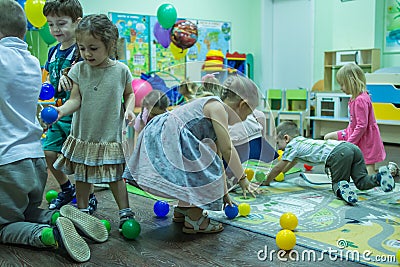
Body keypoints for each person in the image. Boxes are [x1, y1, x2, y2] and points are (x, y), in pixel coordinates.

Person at [0, 0, 107, 262]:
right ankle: (61, 216)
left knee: (3, 225)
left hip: (7, 164)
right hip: (34, 162)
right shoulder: (31, 61)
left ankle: (50, 236)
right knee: (25, 212)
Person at [124, 74, 258, 234]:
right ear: (243, 105)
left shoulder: (214, 108)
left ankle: (183, 209)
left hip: (165, 135)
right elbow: (228, 149)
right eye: (248, 114)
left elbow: (219, 158)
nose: (246, 119)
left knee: (199, 167)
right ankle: (196, 220)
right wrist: (242, 179)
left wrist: (223, 192)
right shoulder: (217, 107)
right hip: (171, 136)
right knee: (200, 172)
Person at [53, 14, 136, 229]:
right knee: (83, 175)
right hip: (84, 134)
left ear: (109, 45)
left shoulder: (121, 71)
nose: (87, 54)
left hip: (109, 135)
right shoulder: (79, 70)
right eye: (82, 48)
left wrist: (128, 110)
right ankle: (82, 211)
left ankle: (125, 212)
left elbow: (129, 94)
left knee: (115, 176)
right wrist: (61, 110)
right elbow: (75, 100)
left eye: (93, 48)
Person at [42, 0, 98, 213]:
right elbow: (50, 79)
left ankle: (90, 195)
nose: (56, 29)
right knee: (49, 152)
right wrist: (48, 85)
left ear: (77, 22)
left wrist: (72, 78)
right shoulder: (53, 52)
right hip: (58, 112)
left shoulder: (83, 51)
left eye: (61, 23)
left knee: (82, 159)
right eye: (51, 24)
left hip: (80, 114)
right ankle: (67, 189)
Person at [263, 121, 395, 205]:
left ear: (286, 138)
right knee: (361, 182)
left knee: (338, 184)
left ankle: (344, 190)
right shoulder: (301, 141)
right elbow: (289, 164)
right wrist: (283, 175)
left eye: (278, 143)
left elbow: (278, 167)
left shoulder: (292, 146)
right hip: (352, 149)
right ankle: (379, 177)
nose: (278, 148)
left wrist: (267, 180)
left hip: (337, 154)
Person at [323, 63, 386, 175]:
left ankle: (373, 184)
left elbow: (362, 126)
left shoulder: (360, 100)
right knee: (328, 137)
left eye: (342, 84)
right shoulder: (354, 98)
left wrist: (349, 143)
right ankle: (340, 165)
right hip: (351, 132)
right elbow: (354, 124)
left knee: (368, 166)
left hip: (366, 138)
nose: (341, 88)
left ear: (351, 82)